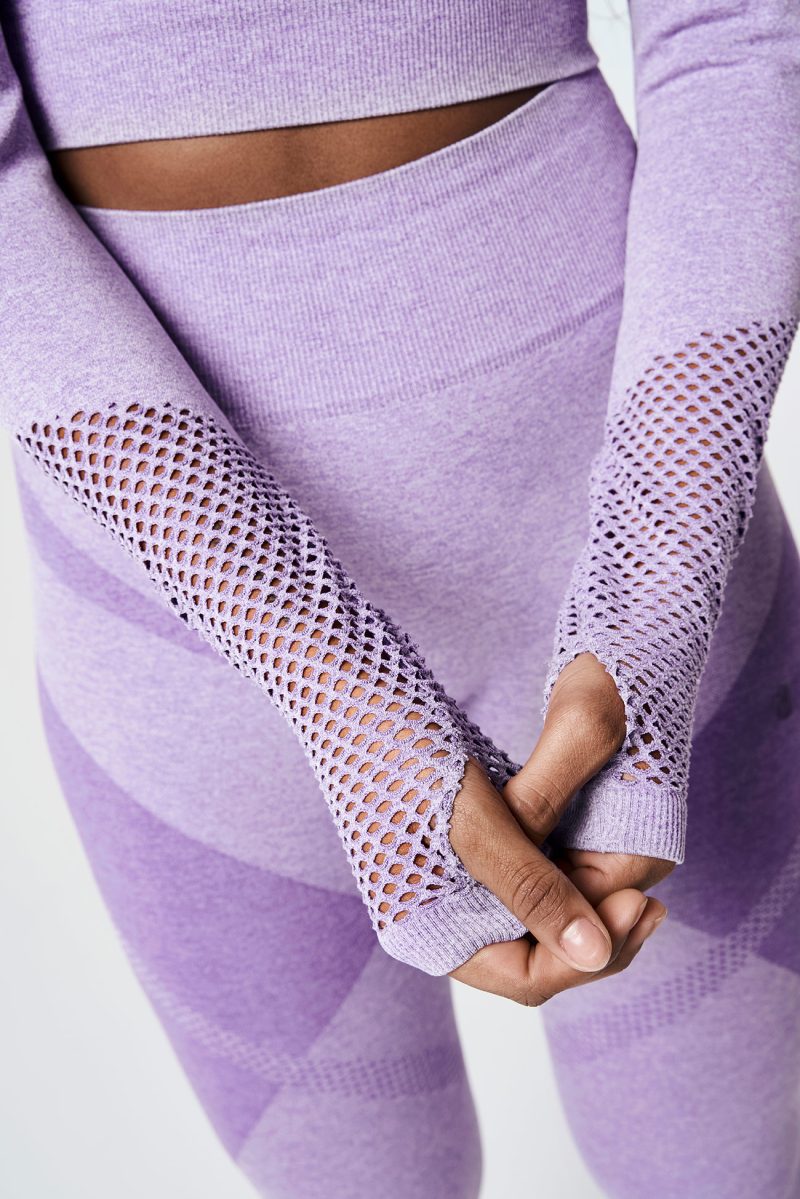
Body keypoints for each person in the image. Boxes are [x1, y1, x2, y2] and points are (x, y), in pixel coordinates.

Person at [2, 1, 799, 1195]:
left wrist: (649, 603)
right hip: (179, 628)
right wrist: (348, 702)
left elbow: (740, 30)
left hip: (639, 529)